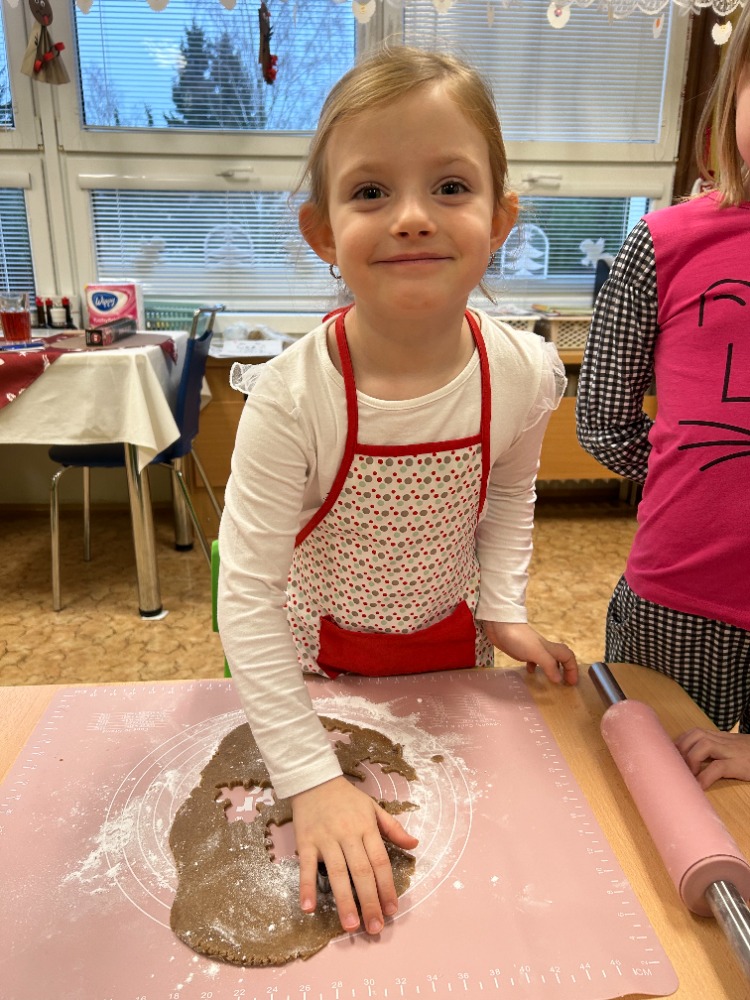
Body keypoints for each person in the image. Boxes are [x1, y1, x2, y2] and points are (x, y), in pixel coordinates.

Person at [218, 46, 578, 939]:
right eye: (371, 191)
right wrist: (309, 777)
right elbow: (247, 597)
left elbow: (508, 493)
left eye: (450, 187)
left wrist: (503, 610)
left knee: (481, 882)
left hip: (452, 650)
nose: (413, 218)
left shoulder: (523, 372)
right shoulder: (291, 398)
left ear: (501, 219)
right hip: (315, 668)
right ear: (322, 232)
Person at [576, 5, 750, 790]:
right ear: (733, 89)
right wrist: (695, 478)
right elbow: (602, 420)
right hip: (678, 602)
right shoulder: (664, 242)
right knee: (651, 793)